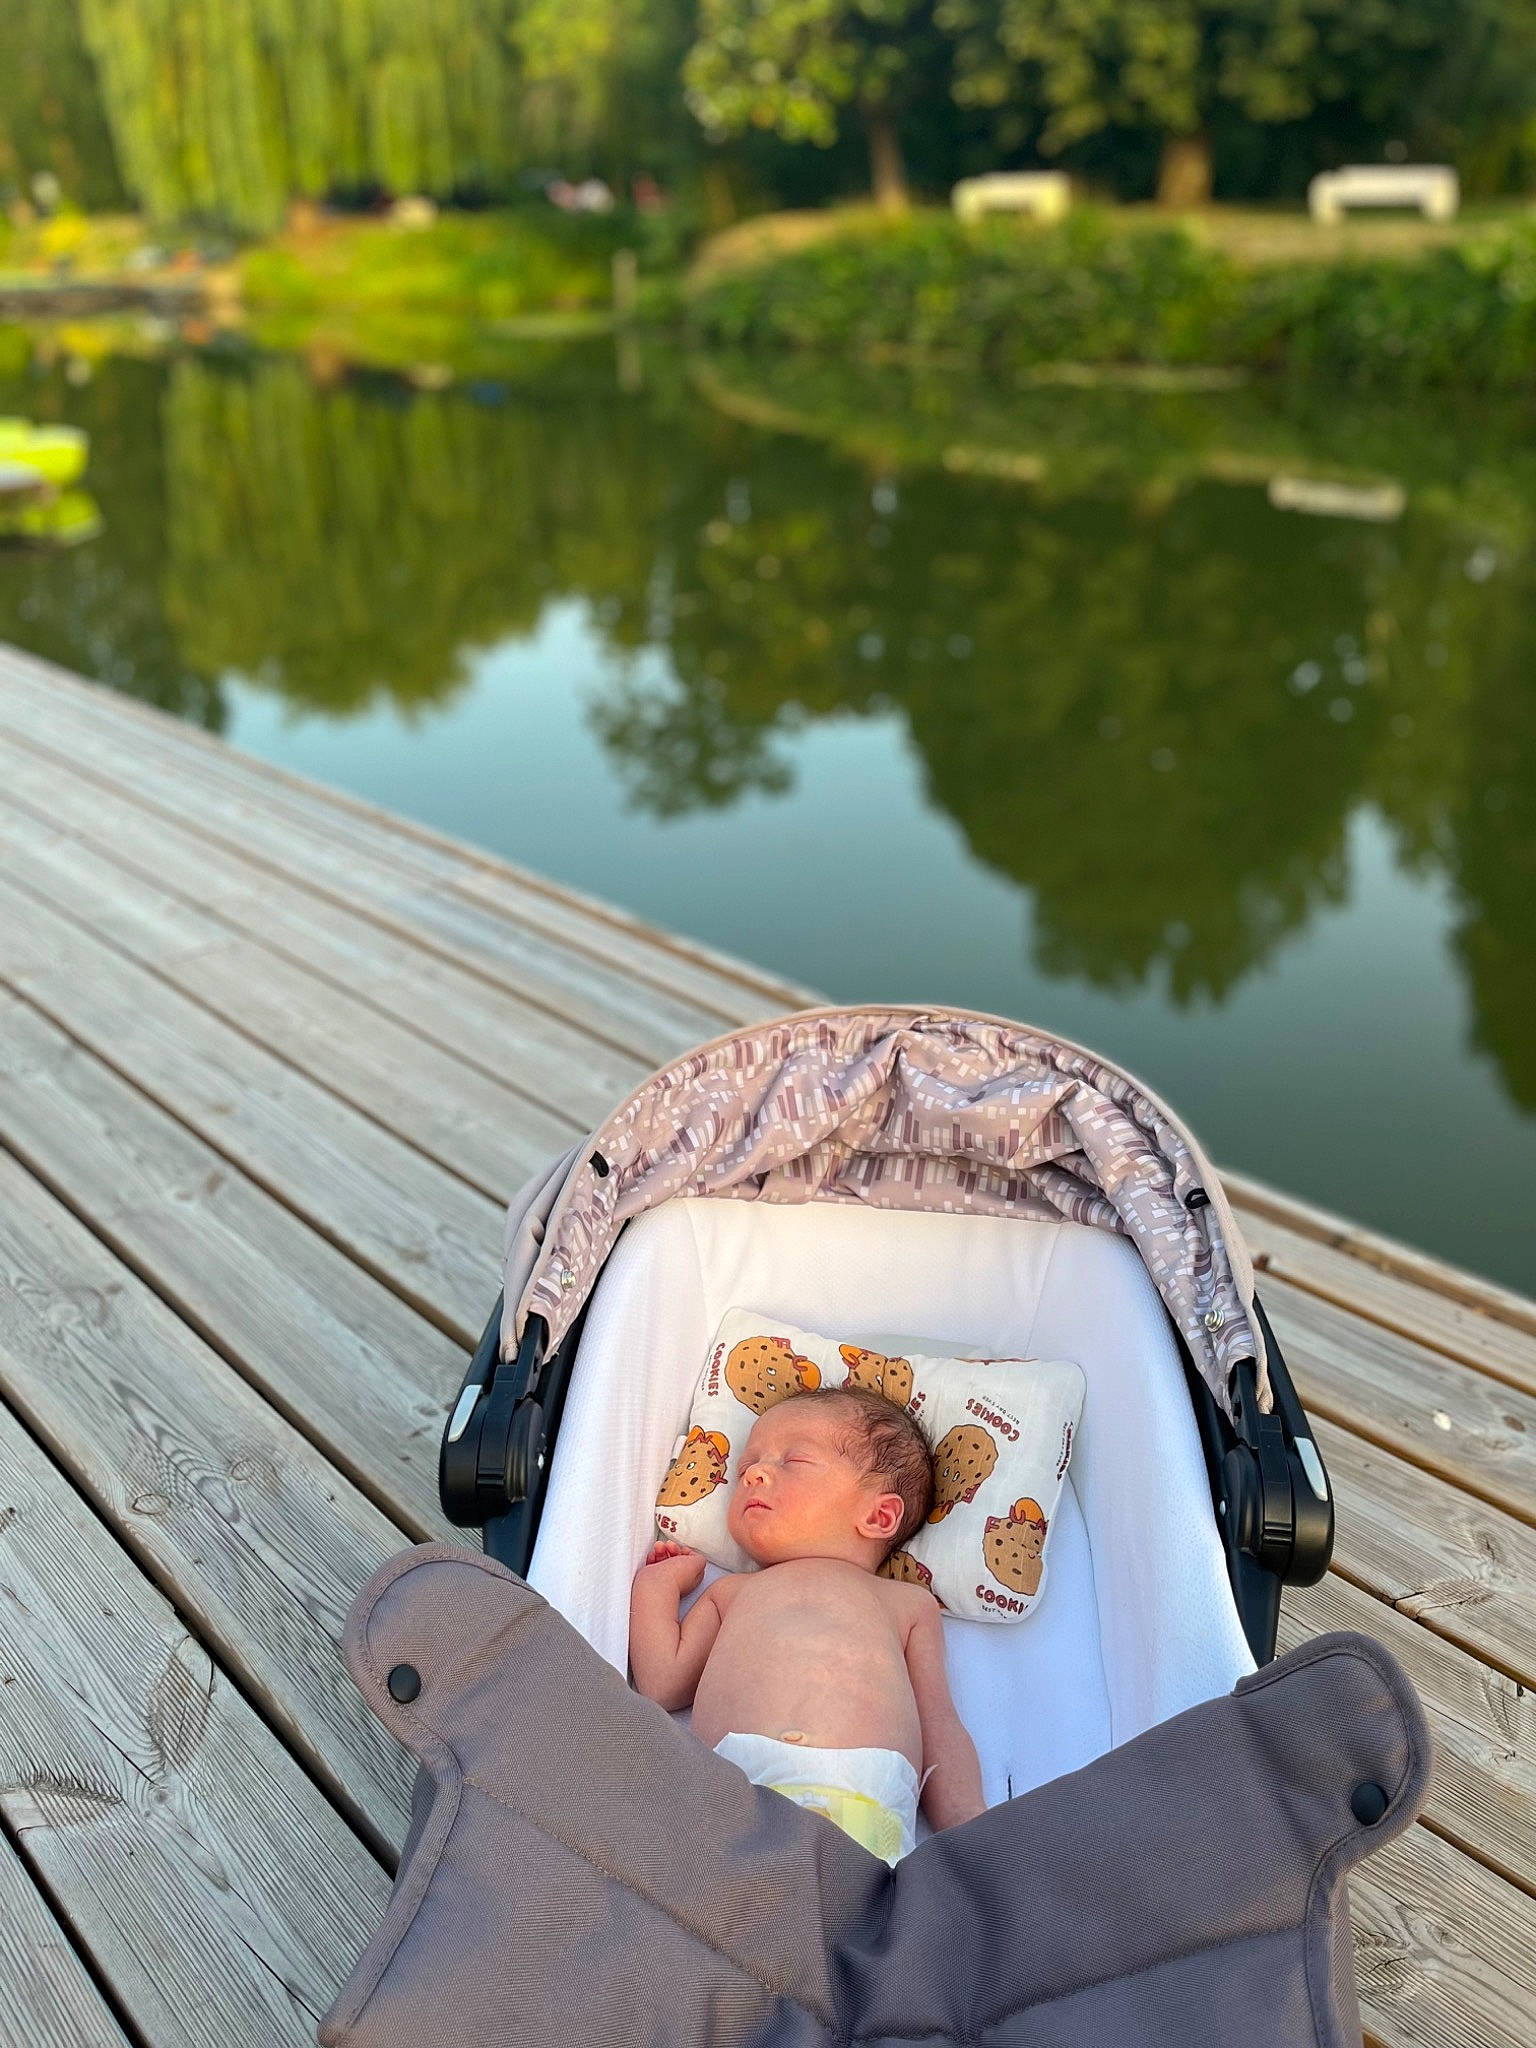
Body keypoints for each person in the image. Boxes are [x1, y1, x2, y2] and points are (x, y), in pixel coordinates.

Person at [629, 1387, 986, 1863]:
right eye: (745, 1468)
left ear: (878, 1515)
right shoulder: (731, 1593)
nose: (753, 1473)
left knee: (863, 1909)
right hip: (733, 1799)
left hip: (861, 1809)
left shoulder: (906, 1604)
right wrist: (659, 1585)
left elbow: (939, 1725)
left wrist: (973, 1830)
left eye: (792, 1461)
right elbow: (662, 1683)